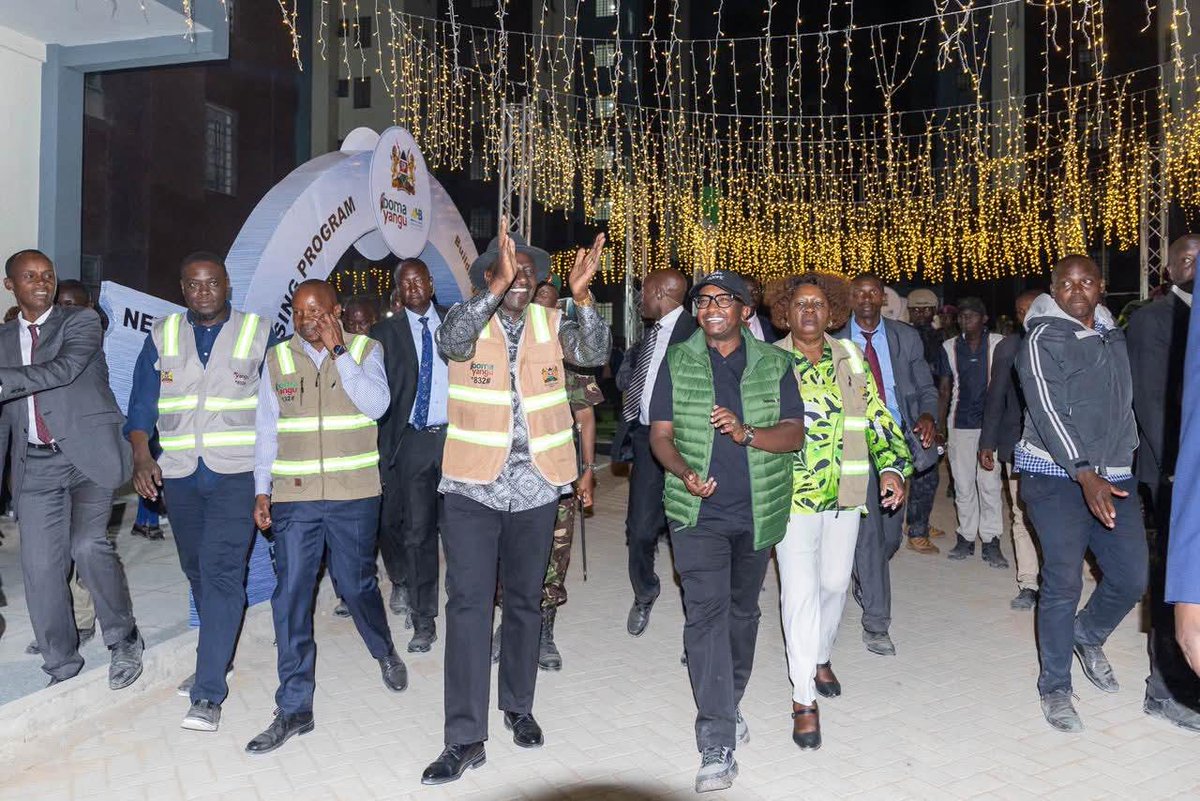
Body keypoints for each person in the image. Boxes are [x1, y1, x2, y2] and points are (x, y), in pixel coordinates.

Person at [420, 224, 611, 785]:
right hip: (472, 489)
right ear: (489, 278)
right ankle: (464, 738)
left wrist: (581, 296)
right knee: (469, 607)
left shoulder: (552, 324)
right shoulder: (463, 322)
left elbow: (595, 351)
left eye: (530, 274)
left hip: (536, 487)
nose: (524, 281)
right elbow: (451, 343)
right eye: (511, 272)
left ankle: (518, 706)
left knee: (526, 603)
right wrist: (492, 290)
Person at [648, 271, 804, 793]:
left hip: (757, 512)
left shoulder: (776, 364)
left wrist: (746, 432)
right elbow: (661, 436)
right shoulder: (677, 361)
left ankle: (729, 700)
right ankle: (716, 738)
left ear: (744, 310)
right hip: (696, 515)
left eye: (724, 299)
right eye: (704, 300)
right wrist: (682, 472)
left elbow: (793, 434)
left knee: (743, 613)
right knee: (706, 616)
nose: (712, 306)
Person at [247, 279, 406, 755]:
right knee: (290, 592)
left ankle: (383, 649)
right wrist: (261, 491)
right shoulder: (277, 360)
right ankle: (295, 707)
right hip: (295, 498)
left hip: (354, 495)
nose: (306, 321)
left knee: (356, 584)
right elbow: (266, 432)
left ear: (335, 311)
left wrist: (340, 351)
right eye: (298, 313)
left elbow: (377, 405)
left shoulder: (365, 348)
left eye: (316, 312)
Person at [124, 252, 270, 732]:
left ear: (227, 285)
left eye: (212, 283)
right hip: (182, 474)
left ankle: (209, 691)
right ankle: (219, 654)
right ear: (182, 289)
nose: (203, 291)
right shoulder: (162, 335)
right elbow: (142, 403)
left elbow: (274, 411)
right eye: (193, 284)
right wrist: (142, 456)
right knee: (196, 572)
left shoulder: (260, 333)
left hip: (236, 475)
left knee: (223, 573)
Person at [776, 275, 910, 751]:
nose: (809, 312)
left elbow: (876, 415)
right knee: (799, 592)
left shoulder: (851, 357)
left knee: (834, 584)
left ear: (832, 312)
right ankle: (803, 695)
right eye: (799, 305)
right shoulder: (771, 361)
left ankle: (821, 653)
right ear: (785, 313)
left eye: (817, 305)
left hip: (847, 494)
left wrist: (893, 466)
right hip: (791, 496)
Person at [1015, 255, 1147, 733]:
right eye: (1066, 283)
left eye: (1085, 281)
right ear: (1054, 287)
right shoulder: (1041, 338)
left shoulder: (1113, 336)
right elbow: (1048, 410)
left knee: (1132, 576)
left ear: (1101, 287)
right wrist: (1083, 472)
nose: (1076, 290)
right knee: (1063, 581)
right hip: (1054, 476)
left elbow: (1125, 403)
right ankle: (1054, 685)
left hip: (1114, 474)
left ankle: (1086, 634)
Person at [0, 249, 142, 689]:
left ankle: (123, 638)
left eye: (48, 275)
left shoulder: (80, 321)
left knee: (86, 545)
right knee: (39, 567)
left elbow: (61, 370)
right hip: (35, 464)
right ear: (11, 285)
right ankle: (60, 664)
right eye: (30, 276)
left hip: (87, 455)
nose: (42, 282)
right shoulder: (2, 338)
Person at [834, 273, 938, 656]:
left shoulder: (904, 337)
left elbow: (926, 386)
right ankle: (876, 623)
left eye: (872, 292)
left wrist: (928, 414)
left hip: (896, 441)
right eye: (858, 292)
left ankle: (864, 575)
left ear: (883, 298)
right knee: (870, 533)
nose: (865, 298)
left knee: (891, 536)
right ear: (850, 298)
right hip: (853, 445)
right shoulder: (833, 341)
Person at [1127, 234, 1200, 730]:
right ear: (1168, 269)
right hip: (1176, 473)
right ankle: (1165, 686)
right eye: (1185, 258)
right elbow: (1151, 403)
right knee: (1174, 579)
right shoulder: (1153, 319)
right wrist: (1179, 470)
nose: (1193, 264)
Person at [370, 258, 449, 652]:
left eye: (420, 280)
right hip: (413, 442)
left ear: (431, 284)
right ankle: (424, 619)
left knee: (461, 535)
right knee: (417, 534)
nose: (414, 287)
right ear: (398, 290)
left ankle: (469, 611)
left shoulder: (458, 322)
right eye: (406, 282)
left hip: (457, 440)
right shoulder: (383, 333)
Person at [618, 268, 697, 637]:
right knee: (639, 529)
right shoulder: (652, 333)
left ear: (662, 292)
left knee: (686, 531)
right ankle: (645, 591)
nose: (640, 298)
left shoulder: (696, 333)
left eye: (644, 290)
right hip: (647, 440)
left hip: (686, 445)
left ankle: (696, 617)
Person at [530, 280, 603, 670]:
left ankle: (544, 630)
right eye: (534, 300)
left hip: (559, 473)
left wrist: (587, 471)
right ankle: (511, 624)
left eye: (548, 300)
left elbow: (586, 417)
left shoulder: (570, 353)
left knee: (555, 553)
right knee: (508, 555)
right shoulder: (513, 347)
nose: (541, 307)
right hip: (513, 473)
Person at [979, 289, 1043, 610]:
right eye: (1021, 311)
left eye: (1034, 308)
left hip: (1060, 450)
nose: (1027, 315)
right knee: (1020, 514)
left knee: (1053, 518)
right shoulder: (1009, 347)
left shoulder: (1066, 341)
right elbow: (996, 398)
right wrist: (987, 442)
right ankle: (1029, 582)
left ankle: (1056, 580)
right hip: (1018, 445)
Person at [941, 297, 1007, 568]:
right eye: (961, 316)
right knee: (963, 483)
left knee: (989, 483)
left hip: (991, 425)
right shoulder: (948, 347)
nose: (965, 320)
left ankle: (991, 540)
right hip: (959, 423)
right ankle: (966, 537)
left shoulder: (999, 344)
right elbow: (945, 389)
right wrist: (939, 425)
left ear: (984, 319)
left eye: (971, 316)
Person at [903, 288, 951, 554]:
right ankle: (916, 529)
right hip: (902, 413)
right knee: (917, 474)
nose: (920, 313)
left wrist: (939, 423)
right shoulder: (899, 336)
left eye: (925, 309)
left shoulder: (940, 340)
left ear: (934, 311)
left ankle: (917, 524)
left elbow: (944, 386)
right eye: (916, 309)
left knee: (928, 474)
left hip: (928, 415)